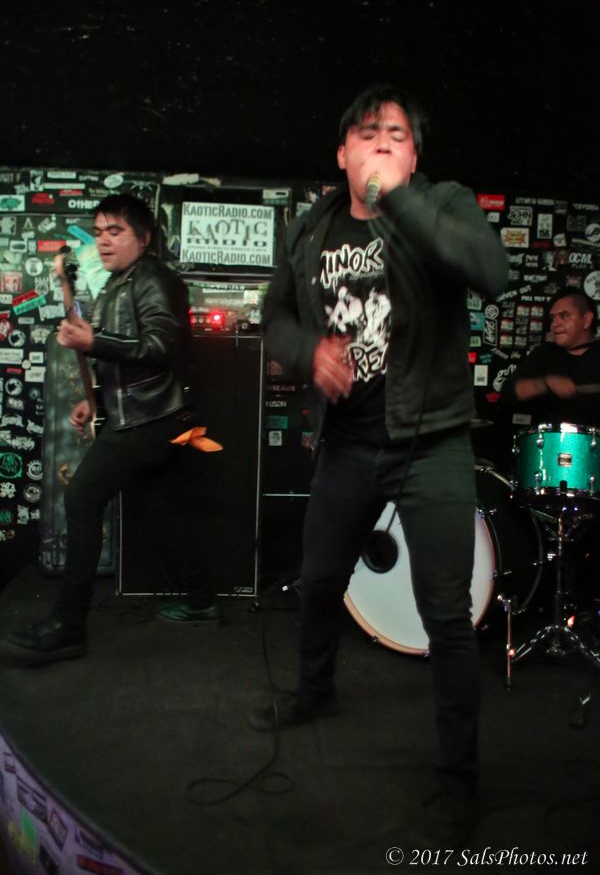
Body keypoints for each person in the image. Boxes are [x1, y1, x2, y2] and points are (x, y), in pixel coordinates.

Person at [251, 84, 508, 847]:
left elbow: (489, 271)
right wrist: (308, 351)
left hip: (432, 440)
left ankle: (460, 777)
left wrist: (399, 199)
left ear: (414, 155)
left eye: (398, 133)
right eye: (368, 132)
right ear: (342, 153)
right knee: (319, 579)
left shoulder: (443, 202)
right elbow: (275, 314)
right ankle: (314, 690)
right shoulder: (311, 227)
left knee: (446, 615)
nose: (384, 140)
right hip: (349, 444)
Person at [0, 193, 221, 667]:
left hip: (153, 418)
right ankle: (202, 600)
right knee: (164, 508)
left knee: (81, 499)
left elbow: (159, 346)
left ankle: (67, 627)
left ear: (144, 237)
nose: (103, 240)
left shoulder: (155, 279)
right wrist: (94, 401)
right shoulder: (118, 283)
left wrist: (94, 339)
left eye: (115, 231)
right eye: (99, 231)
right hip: (148, 414)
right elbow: (121, 360)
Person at [501, 286, 600, 426]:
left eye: (564, 316)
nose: (555, 324)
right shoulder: (544, 354)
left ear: (587, 320)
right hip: (547, 439)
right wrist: (545, 383)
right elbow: (509, 393)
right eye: (553, 318)